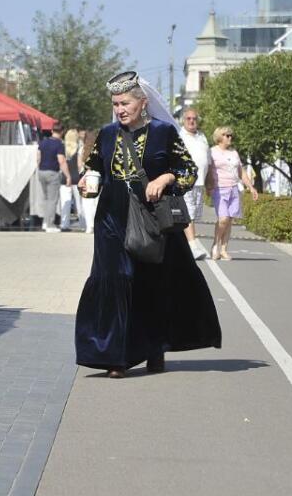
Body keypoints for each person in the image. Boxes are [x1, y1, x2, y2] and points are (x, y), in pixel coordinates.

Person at [75, 71, 222, 378]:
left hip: (151, 218)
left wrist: (165, 178)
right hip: (112, 218)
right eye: (115, 104)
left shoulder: (163, 132)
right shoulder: (106, 134)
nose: (120, 109)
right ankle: (114, 356)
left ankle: (155, 348)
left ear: (142, 103)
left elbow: (188, 171)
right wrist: (87, 183)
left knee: (150, 283)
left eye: (125, 102)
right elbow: (94, 170)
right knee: (116, 279)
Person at [207, 125, 258, 261]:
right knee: (223, 219)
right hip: (219, 189)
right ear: (220, 137)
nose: (230, 138)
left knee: (229, 220)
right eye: (227, 135)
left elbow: (241, 172)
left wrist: (251, 187)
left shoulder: (234, 153)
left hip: (234, 189)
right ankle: (215, 244)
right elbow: (207, 170)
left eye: (231, 135)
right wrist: (207, 186)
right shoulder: (212, 152)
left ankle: (223, 249)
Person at [178, 107, 211, 260]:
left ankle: (185, 246)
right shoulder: (179, 136)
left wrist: (210, 183)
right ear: (183, 120)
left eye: (194, 119)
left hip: (200, 183)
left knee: (194, 215)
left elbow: (208, 161)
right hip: (186, 181)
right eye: (188, 119)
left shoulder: (202, 137)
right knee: (188, 214)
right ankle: (193, 246)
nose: (191, 121)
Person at [37, 124, 71, 232]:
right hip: (52, 173)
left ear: (52, 130)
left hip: (41, 171)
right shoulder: (59, 144)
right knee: (52, 200)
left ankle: (45, 222)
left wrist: (40, 168)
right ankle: (50, 225)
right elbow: (61, 160)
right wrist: (68, 176)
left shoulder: (43, 142)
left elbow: (38, 157)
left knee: (46, 199)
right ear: (62, 132)